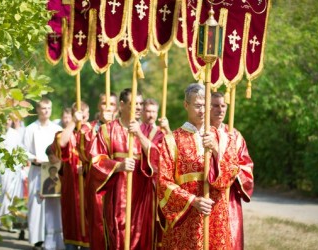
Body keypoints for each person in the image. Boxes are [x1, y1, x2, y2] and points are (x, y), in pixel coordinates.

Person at [157, 83, 241, 249]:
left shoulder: (223, 137)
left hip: (215, 213)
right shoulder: (172, 140)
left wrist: (217, 150)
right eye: (197, 106)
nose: (202, 111)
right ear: (186, 105)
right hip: (186, 216)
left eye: (205, 106)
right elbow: (163, 181)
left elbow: (232, 171)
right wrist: (192, 200)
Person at [89, 88, 164, 249]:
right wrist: (118, 165)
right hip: (118, 195)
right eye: (133, 103)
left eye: (140, 103)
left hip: (143, 196)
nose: (138, 107)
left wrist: (139, 135)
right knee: (120, 236)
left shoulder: (148, 132)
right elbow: (96, 160)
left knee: (141, 236)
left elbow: (158, 160)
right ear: (122, 105)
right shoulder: (107, 130)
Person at [210, 92, 254, 249]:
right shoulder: (200, 134)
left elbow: (246, 167)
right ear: (207, 107)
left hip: (229, 199)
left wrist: (231, 168)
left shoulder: (234, 136)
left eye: (223, 106)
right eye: (215, 105)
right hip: (207, 198)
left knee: (230, 241)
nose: (220, 110)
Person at [77, 93, 117, 250]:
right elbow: (85, 153)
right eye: (104, 103)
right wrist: (102, 131)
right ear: (98, 106)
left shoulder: (122, 128)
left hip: (118, 185)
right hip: (97, 186)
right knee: (98, 225)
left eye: (112, 104)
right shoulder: (88, 128)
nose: (108, 107)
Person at [22, 97, 62, 249]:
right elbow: (23, 150)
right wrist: (33, 158)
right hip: (37, 169)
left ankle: (53, 238)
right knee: (36, 204)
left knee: (53, 204)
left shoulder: (56, 129)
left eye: (49, 108)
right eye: (43, 108)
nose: (46, 111)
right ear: (38, 109)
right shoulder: (31, 129)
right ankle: (37, 239)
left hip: (53, 169)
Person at [52, 101, 90, 250]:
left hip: (88, 190)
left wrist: (88, 167)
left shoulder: (94, 132)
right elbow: (61, 143)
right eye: (80, 115)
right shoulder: (66, 133)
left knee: (90, 229)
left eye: (85, 115)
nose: (83, 119)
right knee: (71, 226)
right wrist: (73, 122)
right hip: (71, 190)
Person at [43, 145, 65, 250]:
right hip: (50, 201)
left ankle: (61, 244)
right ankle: (50, 244)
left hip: (61, 201)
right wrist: (41, 193)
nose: (49, 160)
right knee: (50, 220)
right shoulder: (45, 169)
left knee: (61, 219)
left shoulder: (64, 167)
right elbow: (43, 184)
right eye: (48, 158)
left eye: (51, 157)